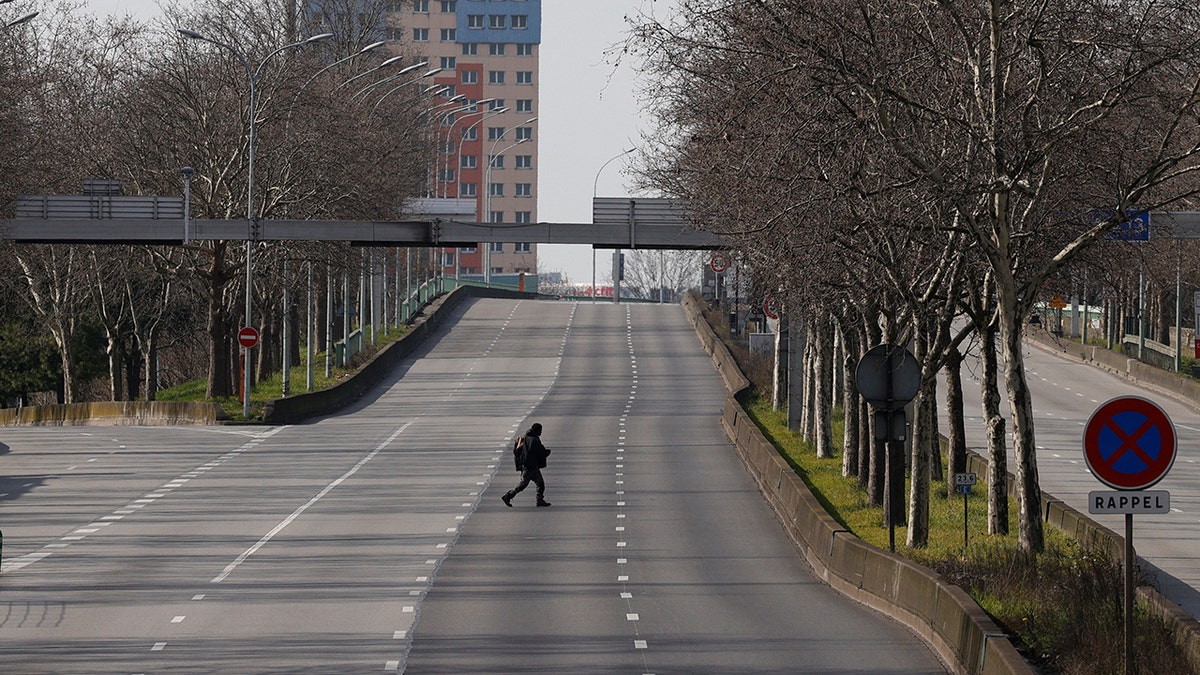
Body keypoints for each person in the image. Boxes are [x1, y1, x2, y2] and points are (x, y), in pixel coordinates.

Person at [502, 422, 551, 507]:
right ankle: (508, 496)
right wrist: (546, 452)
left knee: (540, 483)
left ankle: (540, 500)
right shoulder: (533, 440)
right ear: (536, 430)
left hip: (531, 466)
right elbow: (537, 451)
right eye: (540, 430)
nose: (541, 432)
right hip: (529, 466)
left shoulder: (528, 437)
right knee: (523, 484)